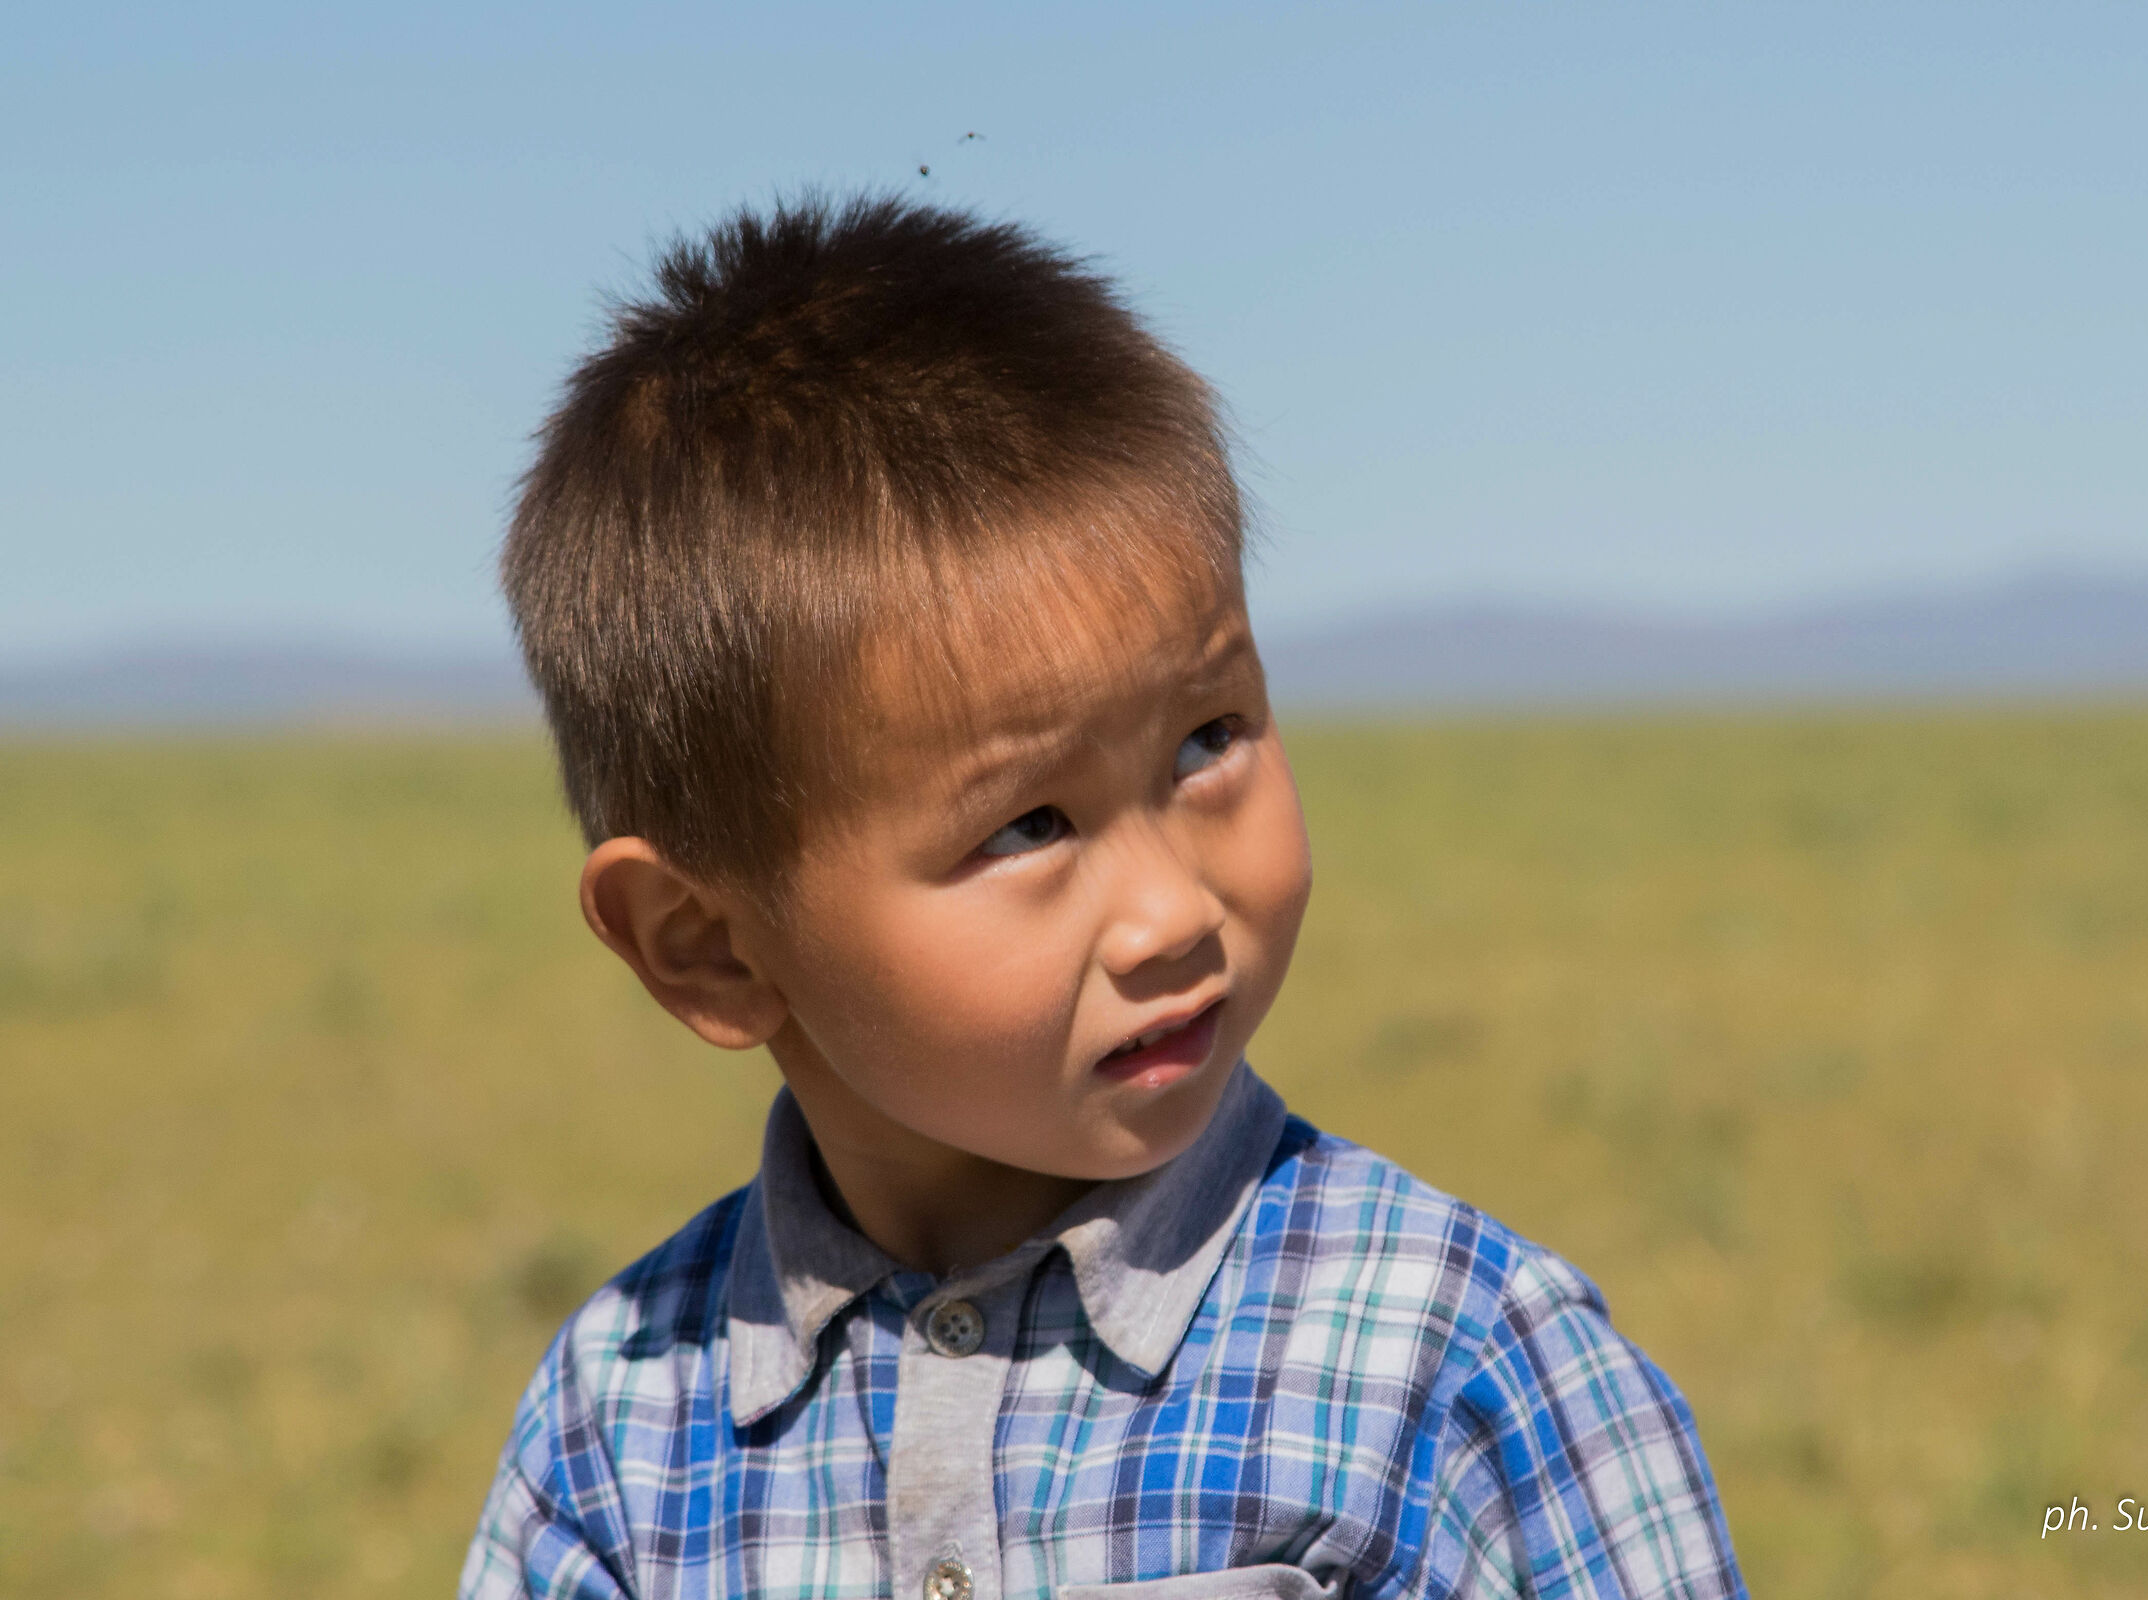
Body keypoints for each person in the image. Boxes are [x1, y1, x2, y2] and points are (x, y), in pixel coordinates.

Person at [463, 193, 1745, 1600]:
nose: (1173, 911)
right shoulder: (620, 1430)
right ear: (706, 948)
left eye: (1209, 740)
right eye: (1028, 826)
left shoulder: (1456, 1372)